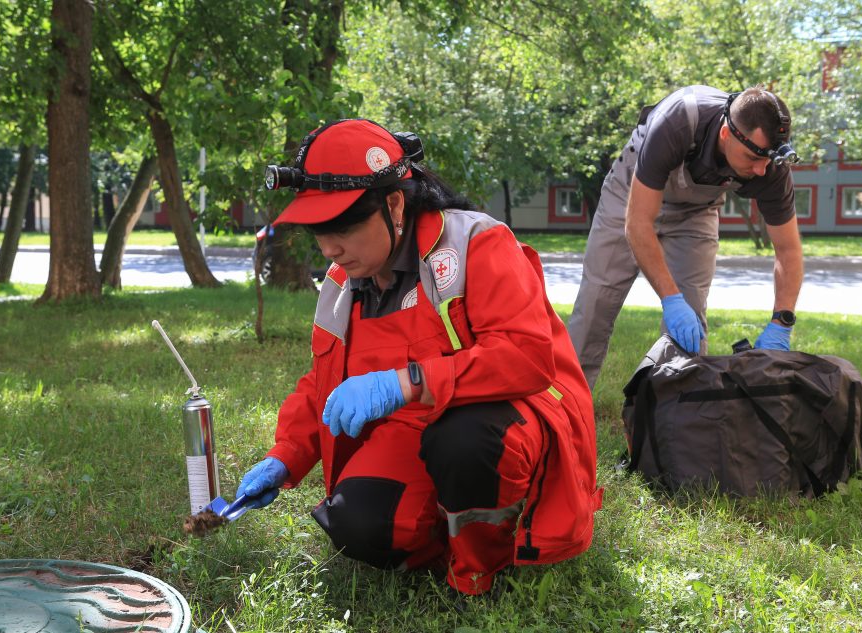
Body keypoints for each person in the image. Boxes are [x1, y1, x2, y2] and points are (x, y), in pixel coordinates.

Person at [236, 118, 602, 597]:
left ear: (394, 204)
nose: (329, 247)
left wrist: (405, 383)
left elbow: (527, 359)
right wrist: (285, 458)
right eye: (317, 231)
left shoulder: (479, 244)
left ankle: (481, 566)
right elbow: (322, 383)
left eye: (343, 227)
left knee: (466, 442)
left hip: (510, 419)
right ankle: (447, 532)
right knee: (357, 527)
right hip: (413, 430)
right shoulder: (343, 283)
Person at [567, 85, 805, 388]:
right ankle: (563, 408)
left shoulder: (770, 168)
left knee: (690, 317)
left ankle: (678, 416)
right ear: (725, 134)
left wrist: (781, 322)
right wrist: (669, 298)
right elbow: (638, 224)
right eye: (752, 158)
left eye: (767, 161)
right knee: (596, 302)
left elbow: (788, 250)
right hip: (631, 194)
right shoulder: (678, 120)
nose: (761, 171)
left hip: (697, 209)